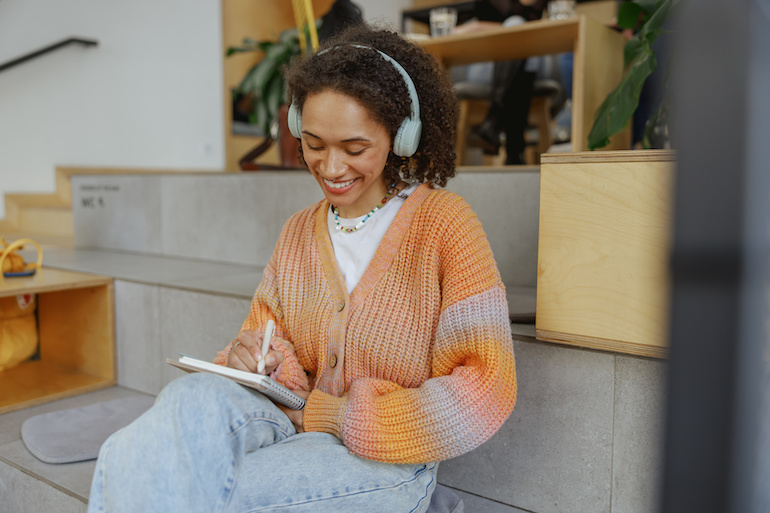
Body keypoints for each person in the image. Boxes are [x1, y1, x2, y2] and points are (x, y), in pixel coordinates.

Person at [87, 23, 517, 513]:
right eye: (313, 144)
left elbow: (484, 386)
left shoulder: (446, 226)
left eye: (355, 149)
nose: (332, 168)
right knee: (160, 428)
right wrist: (255, 358)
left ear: (402, 137)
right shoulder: (297, 231)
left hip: (387, 461)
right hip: (287, 419)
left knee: (195, 490)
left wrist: (338, 417)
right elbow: (265, 337)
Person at [455, 0, 549, 165]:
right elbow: (521, 23)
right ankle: (515, 149)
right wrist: (508, 28)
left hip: (532, 55)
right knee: (517, 31)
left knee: (520, 39)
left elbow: (537, 24)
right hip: (488, 63)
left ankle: (493, 121)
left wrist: (484, 27)